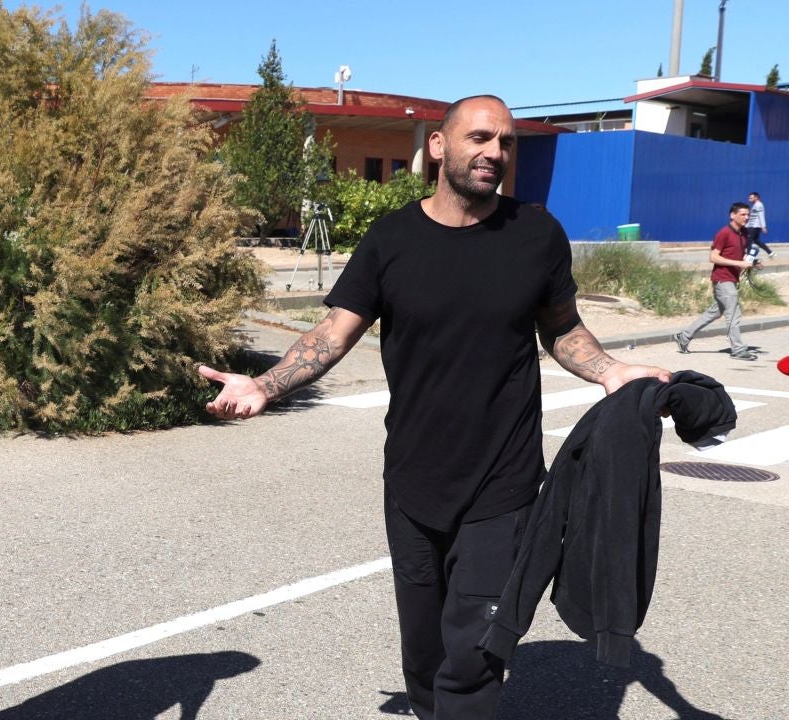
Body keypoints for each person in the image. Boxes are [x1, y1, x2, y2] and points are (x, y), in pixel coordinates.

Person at [198, 95, 669, 720]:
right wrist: (266, 385)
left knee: (474, 653)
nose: (494, 152)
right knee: (423, 652)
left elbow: (561, 328)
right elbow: (334, 332)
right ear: (440, 146)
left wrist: (611, 371)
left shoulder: (537, 234)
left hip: (503, 483)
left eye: (505, 141)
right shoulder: (391, 239)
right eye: (479, 138)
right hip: (413, 479)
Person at [673, 202, 757, 361]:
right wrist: (739, 263)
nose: (746, 217)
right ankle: (738, 349)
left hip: (732, 278)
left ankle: (683, 337)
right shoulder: (724, 233)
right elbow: (713, 257)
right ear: (733, 215)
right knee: (733, 313)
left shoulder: (744, 233)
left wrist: (751, 262)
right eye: (743, 214)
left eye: (748, 215)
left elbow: (739, 254)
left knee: (714, 313)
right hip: (722, 279)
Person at [747, 192, 772, 258]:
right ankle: (770, 252)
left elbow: (761, 216)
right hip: (752, 226)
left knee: (748, 242)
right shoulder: (755, 205)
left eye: (751, 198)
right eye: (749, 198)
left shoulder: (759, 205)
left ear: (756, 197)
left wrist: (763, 227)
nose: (749, 199)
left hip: (754, 226)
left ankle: (748, 257)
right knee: (756, 241)